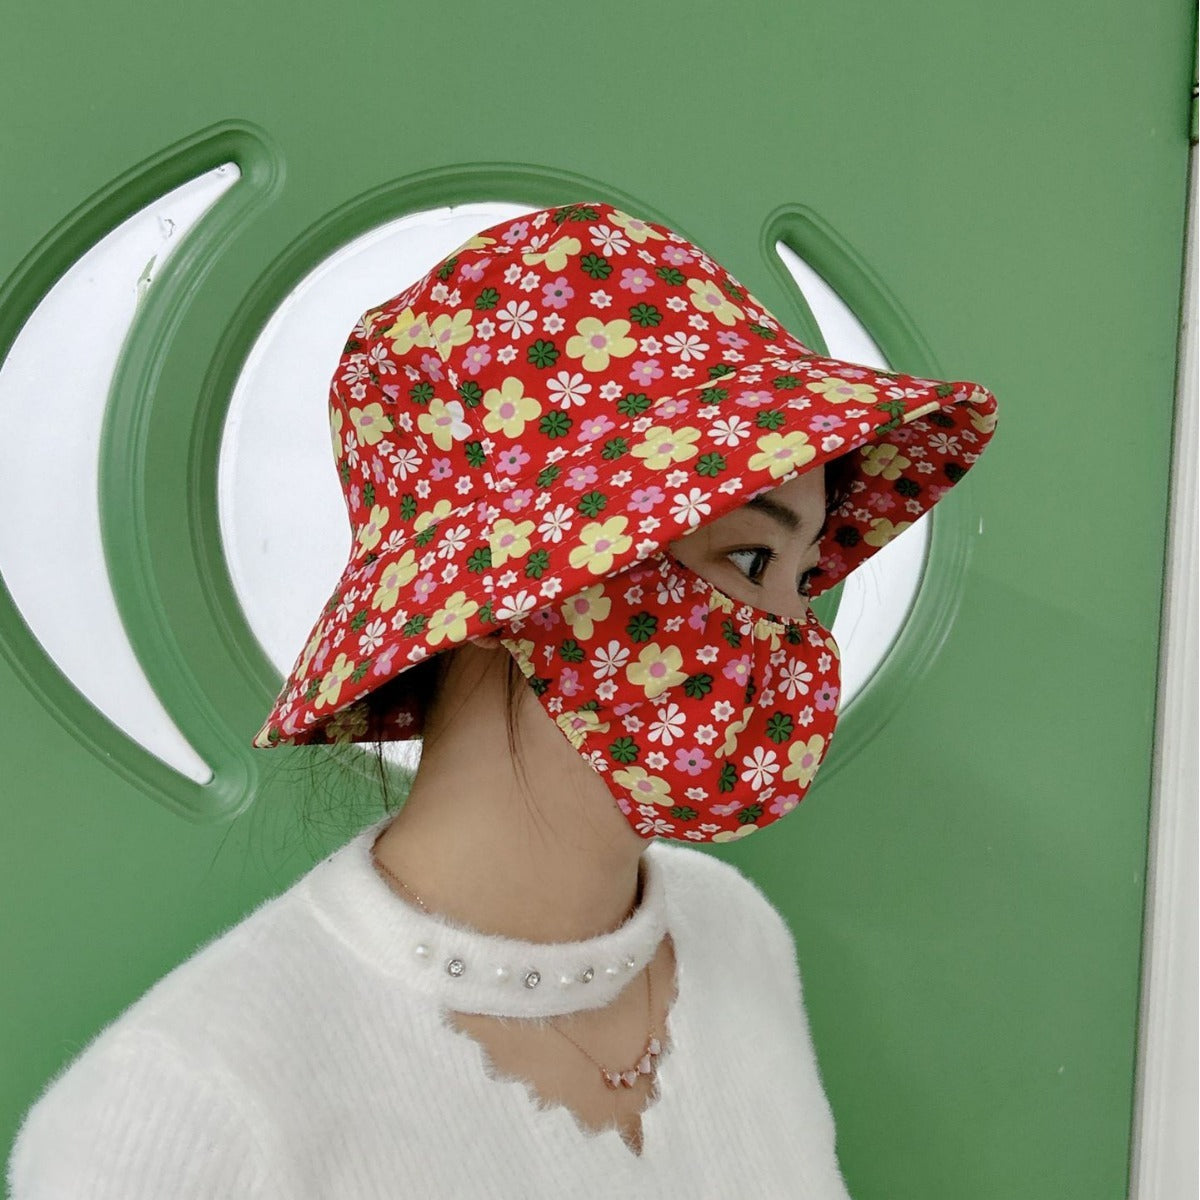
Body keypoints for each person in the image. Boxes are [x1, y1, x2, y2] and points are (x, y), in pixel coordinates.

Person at [7, 201, 998, 1197]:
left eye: (801, 572)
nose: (792, 634)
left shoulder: (734, 938)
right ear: (498, 592)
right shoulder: (183, 1117)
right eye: (747, 558)